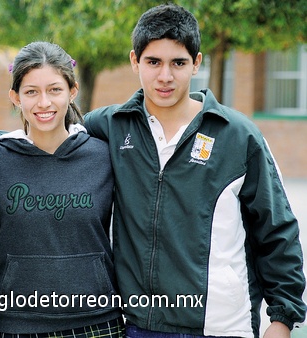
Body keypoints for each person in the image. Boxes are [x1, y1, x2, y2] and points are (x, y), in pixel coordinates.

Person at [84, 4, 306, 338]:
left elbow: (277, 230)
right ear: (134, 61)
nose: (165, 76)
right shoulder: (110, 126)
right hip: (137, 325)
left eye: (178, 63)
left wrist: (282, 318)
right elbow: (50, 137)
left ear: (197, 63)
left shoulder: (238, 136)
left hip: (221, 326)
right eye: (153, 62)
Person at [0, 41, 124, 338]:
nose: (43, 103)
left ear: (72, 91)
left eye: (54, 90)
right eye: (31, 92)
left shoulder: (104, 156)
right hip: (19, 323)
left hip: (96, 322)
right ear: (15, 97)